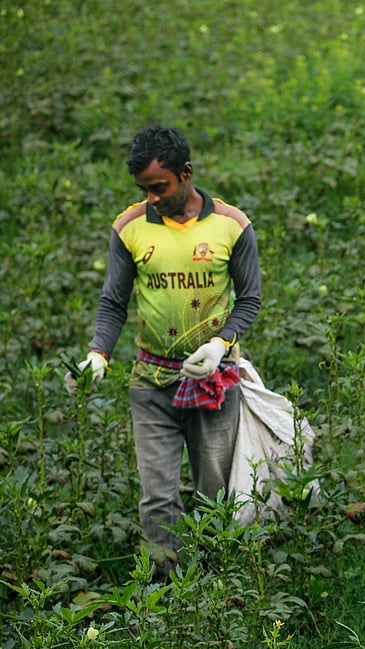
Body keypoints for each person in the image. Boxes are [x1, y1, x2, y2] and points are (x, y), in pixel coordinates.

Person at [66, 125, 263, 581]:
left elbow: (249, 298)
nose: (152, 198)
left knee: (213, 490)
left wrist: (221, 343)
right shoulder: (129, 227)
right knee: (157, 496)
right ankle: (164, 593)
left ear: (186, 173)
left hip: (213, 380)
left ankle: (214, 586)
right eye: (144, 190)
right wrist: (99, 353)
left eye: (160, 187)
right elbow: (114, 301)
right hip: (151, 381)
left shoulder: (231, 225)